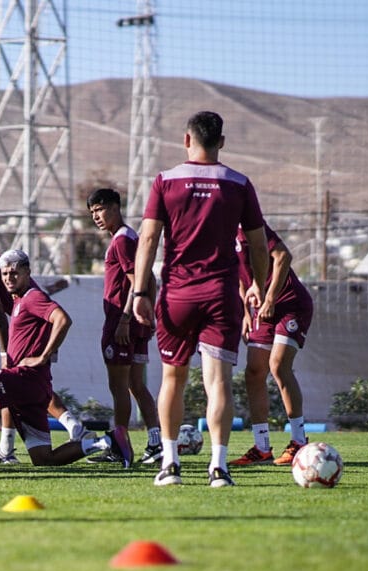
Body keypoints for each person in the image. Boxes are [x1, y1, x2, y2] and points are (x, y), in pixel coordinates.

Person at [132, 111, 270, 487]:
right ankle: (219, 468)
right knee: (219, 383)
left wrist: (140, 291)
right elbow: (258, 244)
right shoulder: (239, 183)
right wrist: (257, 283)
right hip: (221, 294)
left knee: (172, 379)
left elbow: (147, 240)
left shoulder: (165, 181)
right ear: (221, 142)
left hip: (177, 293)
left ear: (186, 140)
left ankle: (171, 465)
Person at [0, 250, 126, 467]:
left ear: (27, 272)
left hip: (25, 379)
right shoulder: (18, 301)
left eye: (13, 273)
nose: (8, 278)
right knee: (43, 459)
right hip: (33, 389)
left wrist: (42, 356)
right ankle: (108, 442)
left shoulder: (32, 297)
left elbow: (63, 319)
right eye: (4, 274)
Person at [82, 188, 162, 466]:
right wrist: (148, 313)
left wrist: (127, 319)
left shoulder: (122, 240)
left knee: (120, 388)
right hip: (133, 323)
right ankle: (155, 443)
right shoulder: (129, 237)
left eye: (101, 209)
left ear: (116, 207)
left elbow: (136, 281)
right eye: (92, 212)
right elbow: (149, 279)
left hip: (121, 325)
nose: (96, 217)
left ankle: (119, 446)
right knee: (136, 385)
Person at [229, 223, 314, 467]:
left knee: (278, 366)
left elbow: (284, 256)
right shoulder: (220, 230)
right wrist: (246, 313)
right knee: (254, 372)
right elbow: (239, 276)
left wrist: (270, 298)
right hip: (261, 308)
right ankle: (262, 448)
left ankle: (299, 442)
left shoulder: (249, 225)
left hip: (289, 304)